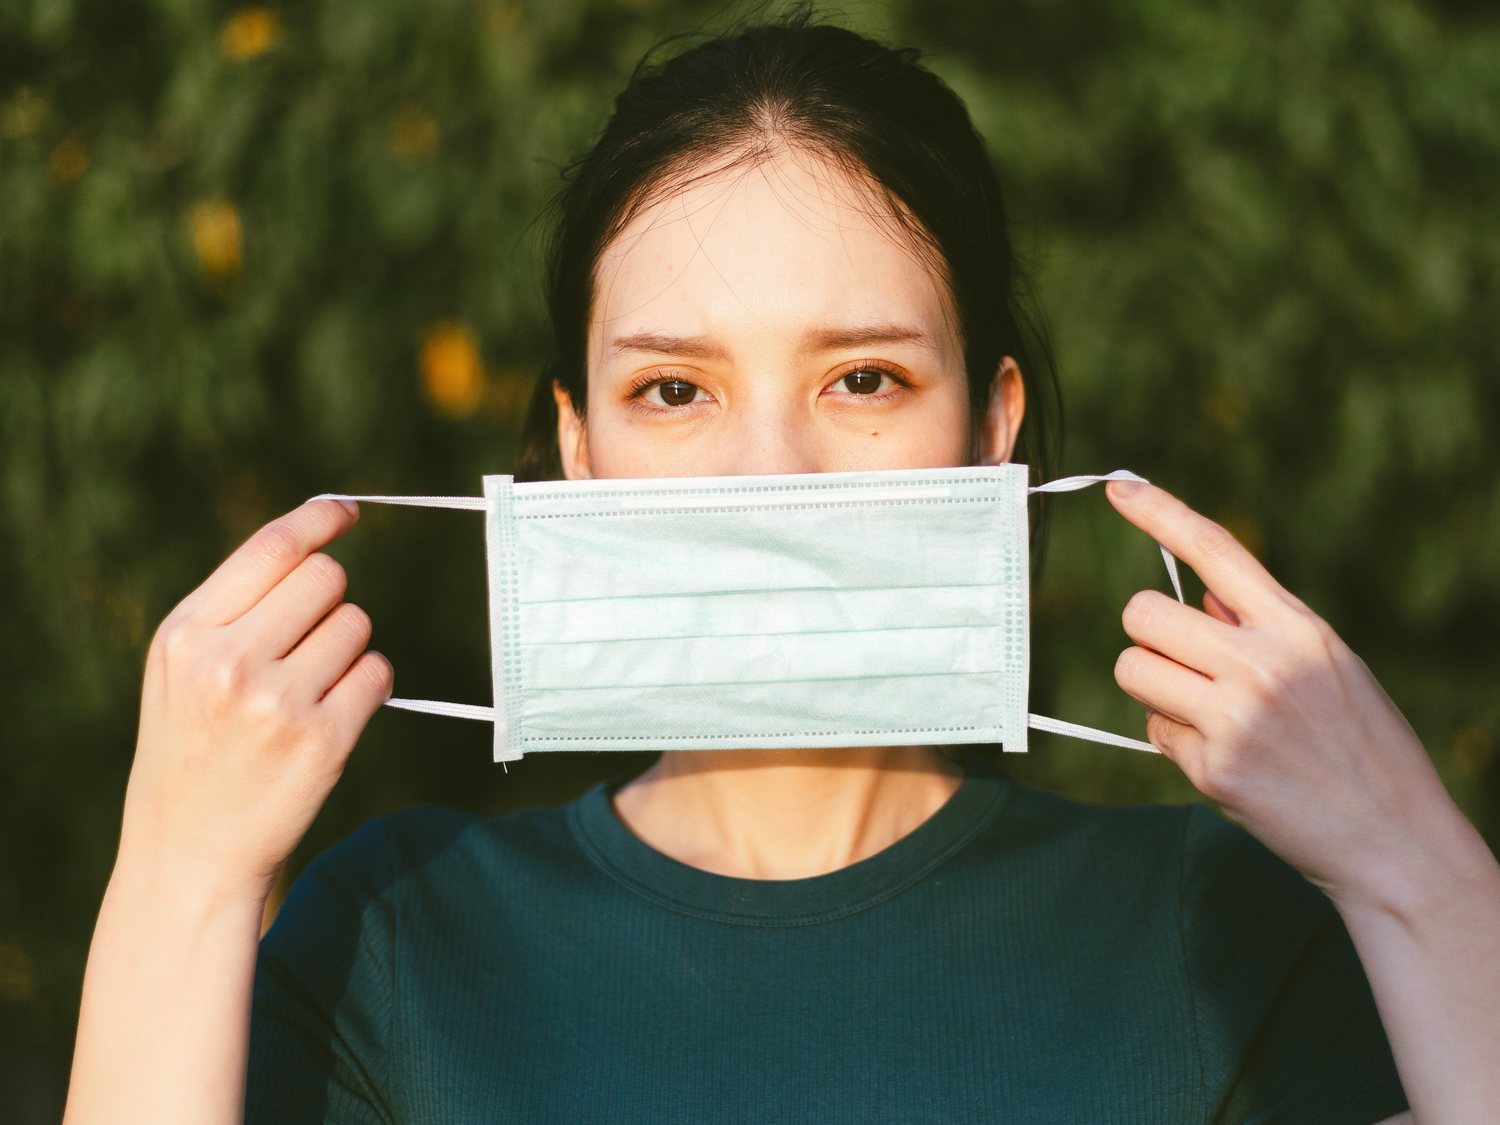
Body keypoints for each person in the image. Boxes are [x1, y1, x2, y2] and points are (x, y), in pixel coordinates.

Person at [64, 15, 1499, 1124]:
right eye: (675, 391)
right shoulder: (395, 928)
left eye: (862, 378)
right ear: (577, 446)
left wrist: (1421, 867)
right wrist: (176, 873)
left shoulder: (1210, 929)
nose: (774, 478)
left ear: (992, 430)